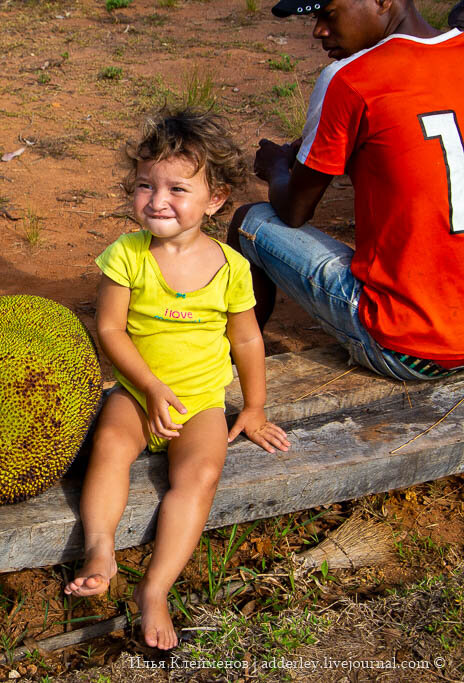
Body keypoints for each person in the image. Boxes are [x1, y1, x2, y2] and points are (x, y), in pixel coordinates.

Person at [65, 110, 290, 649]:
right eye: (145, 185)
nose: (157, 199)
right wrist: (147, 386)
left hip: (203, 401)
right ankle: (100, 547)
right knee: (112, 442)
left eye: (176, 188)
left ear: (215, 199)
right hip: (138, 392)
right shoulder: (126, 256)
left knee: (202, 474)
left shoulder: (233, 267)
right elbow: (110, 330)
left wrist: (253, 407)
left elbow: (247, 341)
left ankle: (157, 588)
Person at [227, 0, 464, 380]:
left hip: (412, 347)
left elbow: (294, 209)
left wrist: (274, 169)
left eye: (329, 13)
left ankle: (231, 370)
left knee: (249, 221)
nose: (318, 31)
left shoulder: (351, 78)